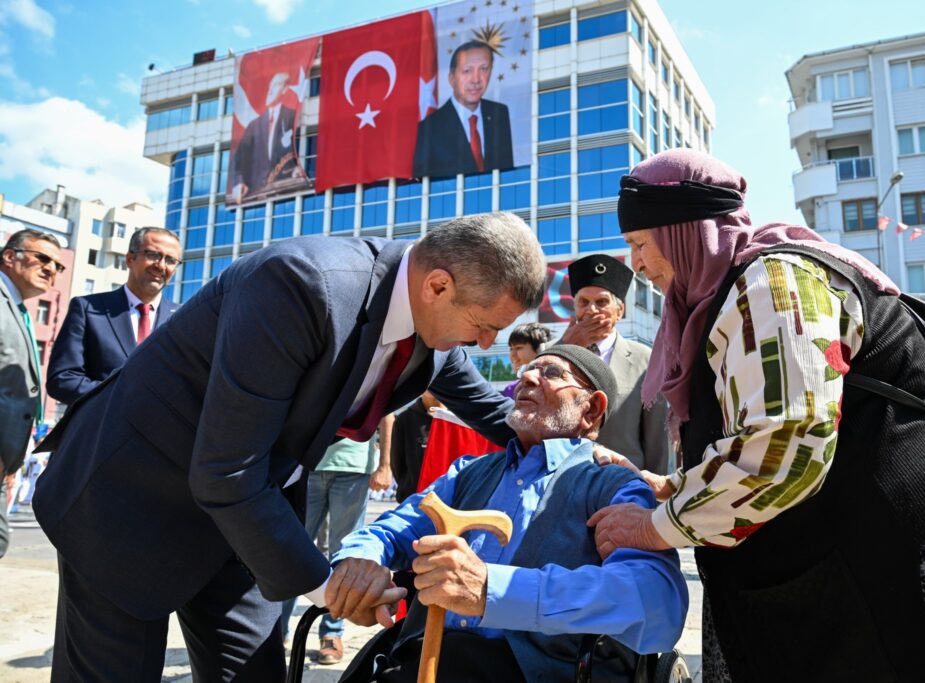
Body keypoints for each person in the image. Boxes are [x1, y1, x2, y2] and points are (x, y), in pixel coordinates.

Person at [34, 212, 547, 681]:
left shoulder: (435, 339)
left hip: (245, 523)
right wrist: (330, 588)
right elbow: (227, 471)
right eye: (485, 328)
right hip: (128, 504)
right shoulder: (303, 284)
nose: (485, 345)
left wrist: (585, 454)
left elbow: (502, 417)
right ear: (438, 285)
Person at [589, 149, 925, 681]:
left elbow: (784, 446)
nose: (635, 264)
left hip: (893, 560)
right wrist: (681, 485)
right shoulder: (729, 292)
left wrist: (654, 527)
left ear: (681, 230)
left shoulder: (774, 284)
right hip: (843, 559)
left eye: (639, 244)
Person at [328, 345, 686, 682]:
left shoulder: (612, 484)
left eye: (551, 373)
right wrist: (359, 561)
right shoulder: (468, 471)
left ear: (590, 410)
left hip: (535, 671)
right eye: (527, 370)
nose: (528, 378)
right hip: (422, 659)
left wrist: (493, 591)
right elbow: (392, 529)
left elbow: (656, 599)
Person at [281, 417, 392, 665]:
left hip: (353, 466)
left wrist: (385, 464)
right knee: (291, 552)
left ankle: (332, 633)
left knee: (346, 554)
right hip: (308, 462)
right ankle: (277, 630)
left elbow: (386, 414)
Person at [561, 254, 670, 474]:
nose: (591, 310)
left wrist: (654, 495)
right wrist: (566, 349)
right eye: (584, 302)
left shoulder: (645, 360)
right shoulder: (554, 353)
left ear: (620, 311)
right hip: (563, 482)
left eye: (601, 302)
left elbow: (657, 438)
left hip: (623, 484)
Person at [47, 227, 181, 405]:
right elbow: (62, 379)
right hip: (100, 428)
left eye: (171, 260)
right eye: (153, 255)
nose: (161, 265)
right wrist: (123, 396)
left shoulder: (182, 319)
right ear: (129, 259)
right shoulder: (87, 309)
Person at [0, 229, 62, 559]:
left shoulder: (17, 308)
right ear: (10, 256)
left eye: (57, 265)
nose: (51, 268)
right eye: (42, 258)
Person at [411, 40, 514, 178]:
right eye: (467, 71)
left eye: (484, 69)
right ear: (452, 78)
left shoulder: (499, 113)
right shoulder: (429, 128)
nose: (476, 79)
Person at [230, 71, 304, 202]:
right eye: (270, 86)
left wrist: (298, 168)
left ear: (285, 89)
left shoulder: (292, 118)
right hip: (255, 198)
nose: (269, 90)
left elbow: (302, 150)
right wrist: (238, 182)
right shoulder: (254, 126)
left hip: (286, 195)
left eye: (275, 85)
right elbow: (239, 160)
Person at [390, 391, 444, 503]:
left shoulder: (460, 419)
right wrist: (408, 486)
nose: (433, 385)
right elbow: (397, 463)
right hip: (414, 499)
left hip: (451, 500)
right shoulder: (405, 419)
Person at [502, 322, 553, 398]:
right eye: (511, 349)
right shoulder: (510, 389)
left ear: (540, 350)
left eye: (518, 348)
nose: (512, 354)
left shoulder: (552, 386)